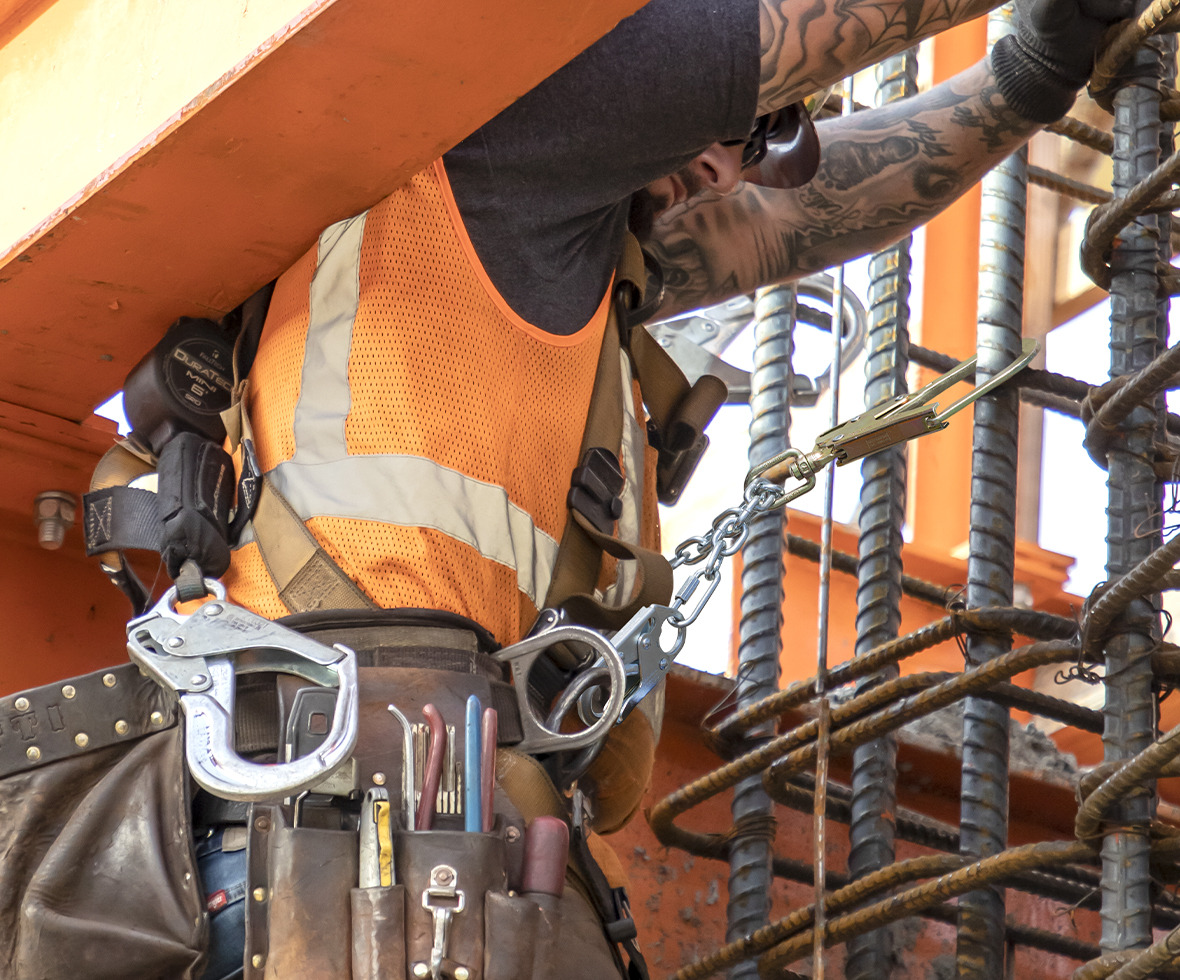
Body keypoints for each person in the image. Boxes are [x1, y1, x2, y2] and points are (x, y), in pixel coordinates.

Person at [8, 0, 1129, 977]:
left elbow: (811, 213)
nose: (734, 164)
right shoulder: (499, 137)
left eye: (771, 140)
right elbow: (833, 26)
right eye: (746, 118)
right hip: (339, 837)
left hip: (431, 840)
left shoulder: (582, 255)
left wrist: (1028, 76)